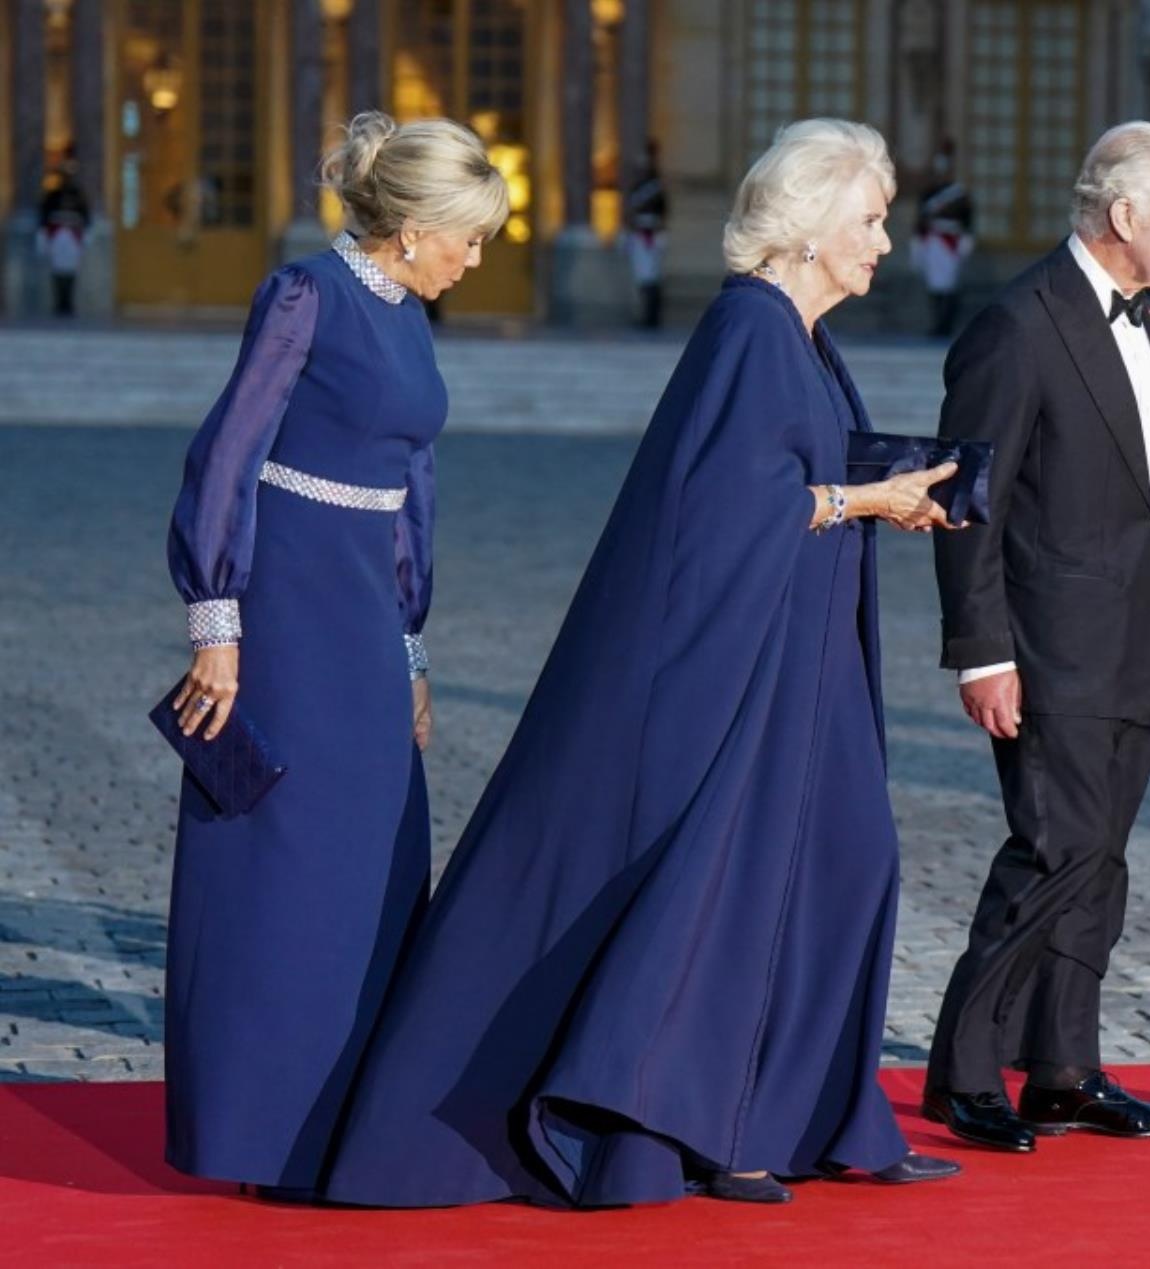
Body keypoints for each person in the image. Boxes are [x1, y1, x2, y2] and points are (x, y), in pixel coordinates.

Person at [321, 119, 962, 1209]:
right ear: (808, 231)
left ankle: (806, 1116)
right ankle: (708, 1131)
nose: (886, 244)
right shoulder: (751, 330)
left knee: (845, 866)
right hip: (736, 671)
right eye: (869, 221)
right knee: (745, 886)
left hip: (801, 662)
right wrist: (862, 500)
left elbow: (786, 467)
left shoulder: (803, 337)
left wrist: (888, 484)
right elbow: (718, 509)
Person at [163, 111, 507, 1192]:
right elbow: (229, 450)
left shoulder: (411, 312)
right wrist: (219, 625)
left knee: (374, 857)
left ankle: (348, 1112)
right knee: (284, 866)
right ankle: (260, 1132)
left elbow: (413, 492)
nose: (479, 258)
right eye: (471, 237)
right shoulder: (305, 296)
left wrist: (409, 647)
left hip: (363, 620)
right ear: (411, 227)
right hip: (288, 612)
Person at [921, 122, 1150, 1153]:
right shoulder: (1017, 325)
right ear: (1126, 215)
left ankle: (1064, 1069)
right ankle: (962, 1071)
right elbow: (971, 504)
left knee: (1101, 863)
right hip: (1048, 647)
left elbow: (1128, 450)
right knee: (1054, 849)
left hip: (1139, 639)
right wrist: (982, 651)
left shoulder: (1148, 319)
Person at [909, 138, 973, 337]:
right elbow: (920, 219)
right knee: (934, 284)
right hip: (933, 243)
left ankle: (947, 324)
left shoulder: (959, 194)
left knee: (949, 285)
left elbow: (967, 220)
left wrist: (966, 242)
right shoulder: (928, 195)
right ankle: (938, 323)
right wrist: (917, 243)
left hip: (951, 243)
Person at [623, 140, 669, 328]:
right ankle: (647, 315)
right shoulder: (639, 185)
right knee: (643, 277)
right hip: (640, 235)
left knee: (652, 276)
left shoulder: (655, 186)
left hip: (652, 235)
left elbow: (662, 211)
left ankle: (652, 317)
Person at [38, 157, 91, 317]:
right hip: (57, 234)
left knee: (71, 270)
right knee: (57, 269)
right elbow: (44, 214)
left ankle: (68, 302)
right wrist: (42, 234)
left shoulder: (79, 195)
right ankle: (59, 302)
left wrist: (86, 234)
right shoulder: (52, 195)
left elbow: (85, 215)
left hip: (73, 235)